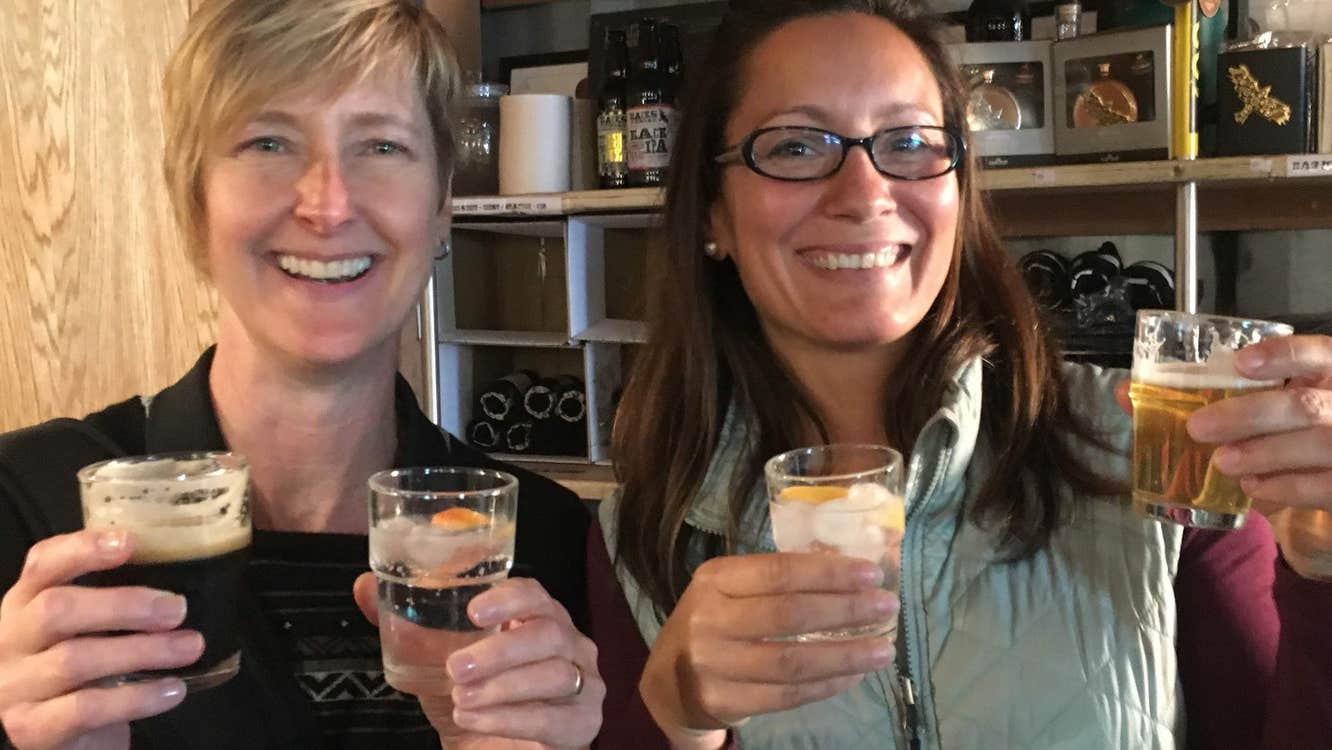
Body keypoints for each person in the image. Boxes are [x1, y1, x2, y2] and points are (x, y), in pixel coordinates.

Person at [591, 0, 1332, 747]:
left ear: (959, 191)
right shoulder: (644, 528)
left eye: (910, 141)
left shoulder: (1150, 449)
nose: (864, 193)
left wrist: (1326, 579)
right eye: (792, 147)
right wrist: (673, 721)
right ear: (713, 214)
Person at [0, 1, 603, 748]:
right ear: (195, 203)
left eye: (381, 146)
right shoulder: (25, 508)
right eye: (269, 142)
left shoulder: (546, 542)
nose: (328, 204)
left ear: (443, 204)